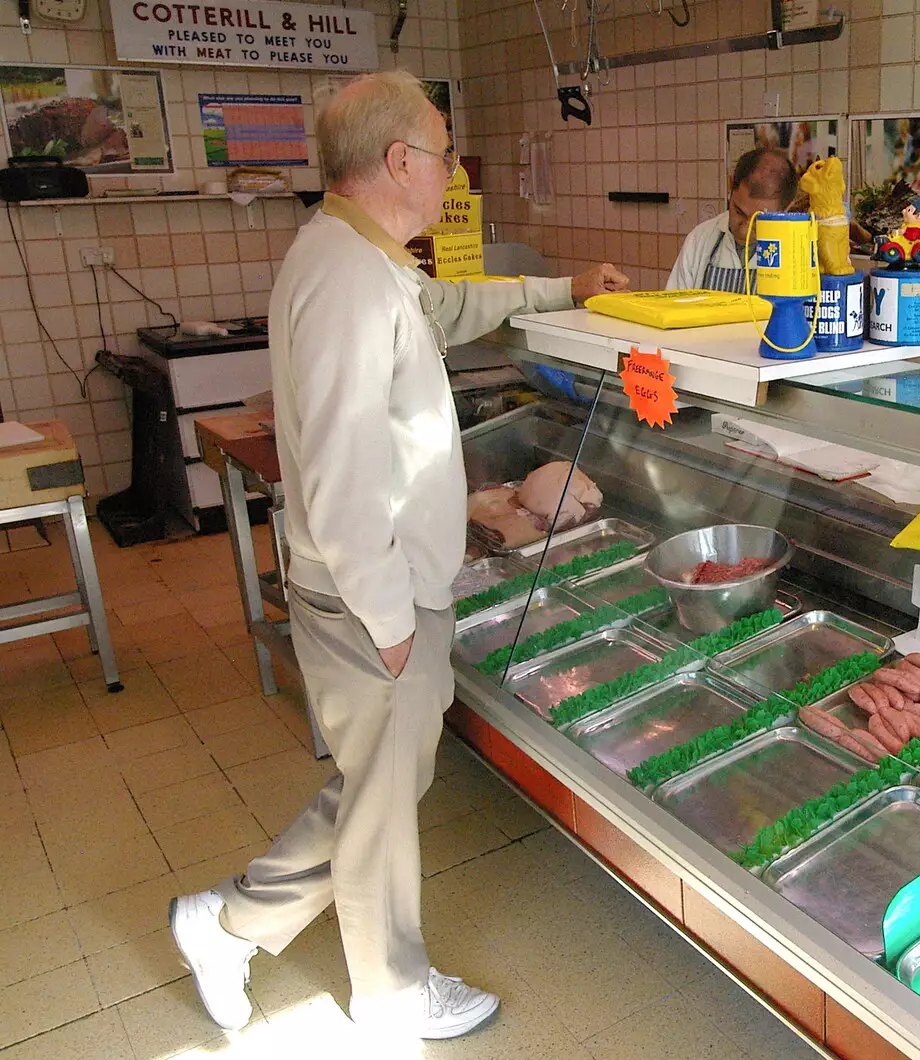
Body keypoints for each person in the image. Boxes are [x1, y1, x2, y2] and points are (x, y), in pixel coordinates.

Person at [168, 70, 628, 1041]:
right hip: (366, 593)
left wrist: (562, 288)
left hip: (386, 583)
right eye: (446, 153)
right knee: (380, 799)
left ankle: (230, 921)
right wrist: (384, 616)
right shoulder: (342, 276)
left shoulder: (364, 259)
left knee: (381, 789)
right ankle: (375, 984)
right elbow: (335, 472)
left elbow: (443, 309)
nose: (453, 172)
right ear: (399, 161)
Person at [666, 146, 798, 292]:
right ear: (730, 186)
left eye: (758, 220)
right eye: (739, 212)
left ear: (787, 208)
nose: (744, 230)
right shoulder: (701, 239)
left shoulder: (799, 252)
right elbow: (673, 308)